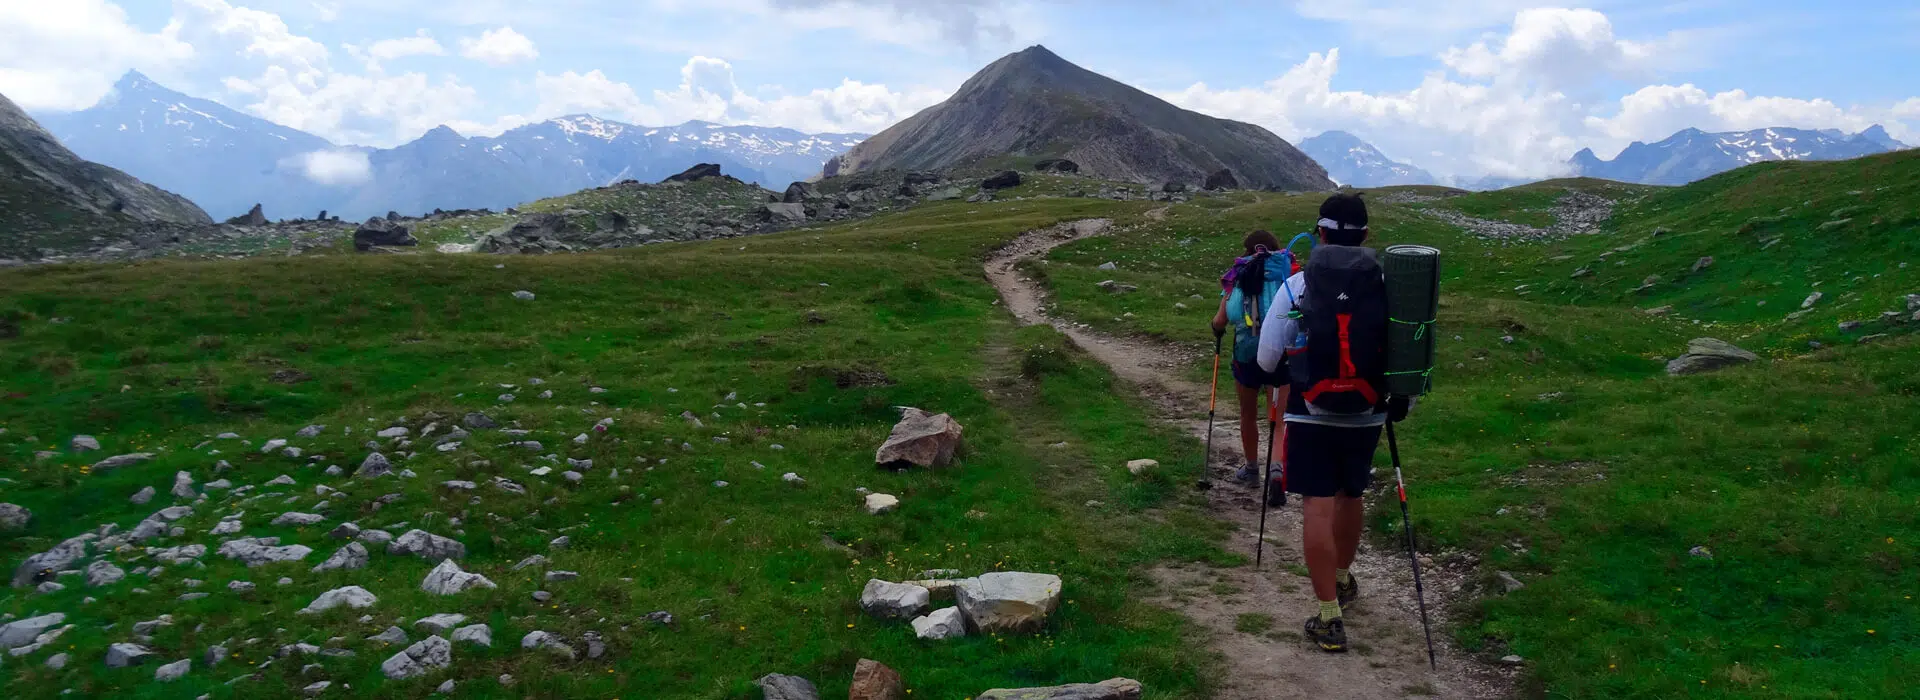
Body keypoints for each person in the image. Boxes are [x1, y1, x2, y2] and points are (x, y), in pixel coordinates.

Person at [1255, 193, 1411, 653]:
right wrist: (1399, 401)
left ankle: (1328, 616)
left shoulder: (1297, 286)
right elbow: (1405, 356)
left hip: (1309, 411)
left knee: (1317, 507)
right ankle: (1343, 578)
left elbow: (1267, 360)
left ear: (1319, 234)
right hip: (1367, 412)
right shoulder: (1388, 286)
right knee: (1352, 494)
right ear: (1367, 236)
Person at [1211, 230, 1290, 486]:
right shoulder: (1286, 272)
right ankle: (1277, 470)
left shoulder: (1236, 274)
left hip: (1246, 352)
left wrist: (1217, 328)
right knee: (1277, 418)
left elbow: (1221, 320)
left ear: (1247, 250)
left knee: (1247, 413)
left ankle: (1252, 469)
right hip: (1281, 353)